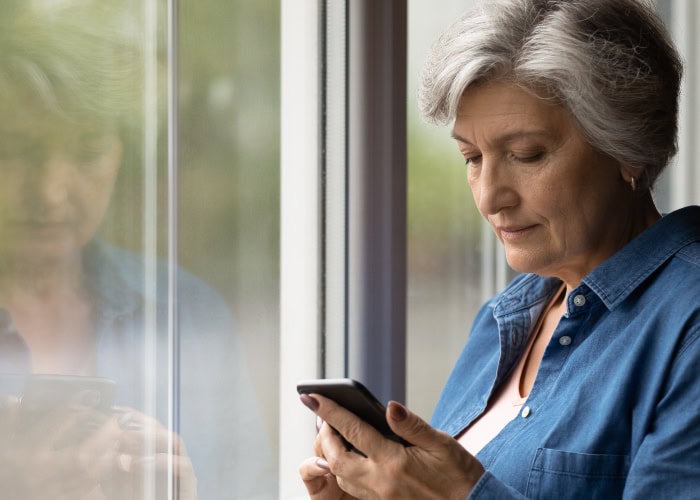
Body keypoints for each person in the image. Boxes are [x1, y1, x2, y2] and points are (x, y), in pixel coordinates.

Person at [298, 0, 700, 497]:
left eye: (526, 155)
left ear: (628, 148)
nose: (490, 197)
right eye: (471, 157)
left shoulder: (689, 324)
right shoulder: (500, 320)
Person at [0, 1, 274, 498]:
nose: (52, 190)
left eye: (87, 151)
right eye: (17, 150)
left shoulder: (188, 313)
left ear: (120, 154)